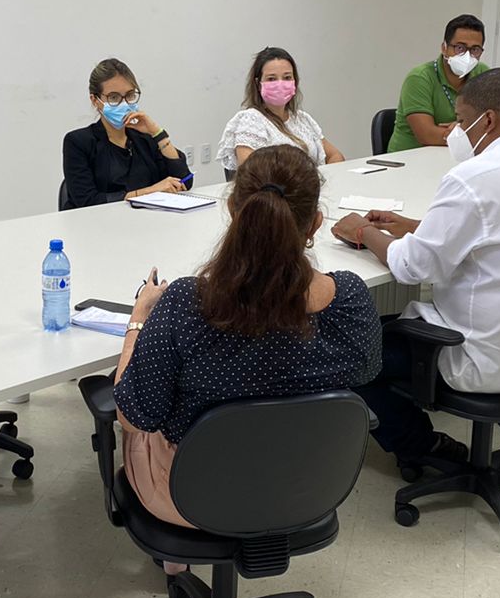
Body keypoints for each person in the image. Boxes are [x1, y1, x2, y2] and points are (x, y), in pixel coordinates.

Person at [334, 69, 500, 478]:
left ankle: (422, 446)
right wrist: (416, 227)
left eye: (460, 119)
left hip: (478, 355)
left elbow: (411, 267)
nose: (455, 130)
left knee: (347, 349)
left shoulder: (474, 178)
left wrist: (362, 232)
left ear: (487, 120)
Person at [111, 145, 381, 529]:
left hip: (191, 499)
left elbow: (134, 417)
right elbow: (367, 370)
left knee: (134, 417)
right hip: (306, 490)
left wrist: (138, 321)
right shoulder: (350, 298)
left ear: (233, 211)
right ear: (316, 224)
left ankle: (181, 551)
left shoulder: (187, 303)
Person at [62, 58, 192, 207]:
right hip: (99, 220)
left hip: (148, 218)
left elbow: (184, 182)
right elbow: (87, 201)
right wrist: (150, 192)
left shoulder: (144, 137)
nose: (124, 104)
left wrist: (157, 132)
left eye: (130, 95)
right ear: (95, 100)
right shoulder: (78, 142)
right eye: (114, 97)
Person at [217, 47, 345, 172]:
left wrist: (321, 177)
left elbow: (335, 155)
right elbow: (251, 173)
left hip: (314, 185)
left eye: (287, 77)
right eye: (271, 79)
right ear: (257, 84)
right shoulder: (251, 121)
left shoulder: (302, 119)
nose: (280, 84)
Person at [386, 15, 490, 152]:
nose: (467, 56)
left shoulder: (483, 74)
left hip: (457, 155)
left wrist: (458, 133)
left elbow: (493, 125)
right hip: (409, 158)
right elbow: (427, 135)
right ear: (444, 48)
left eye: (475, 49)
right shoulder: (420, 78)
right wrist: (468, 132)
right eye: (460, 48)